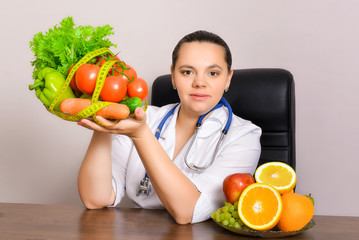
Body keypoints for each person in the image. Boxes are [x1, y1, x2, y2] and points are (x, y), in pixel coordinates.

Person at [77, 30, 262, 224]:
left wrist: (141, 135)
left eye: (213, 73)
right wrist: (104, 121)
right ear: (173, 76)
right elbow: (95, 198)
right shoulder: (143, 118)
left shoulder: (245, 136)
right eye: (187, 72)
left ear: (228, 78)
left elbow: (188, 211)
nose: (199, 83)